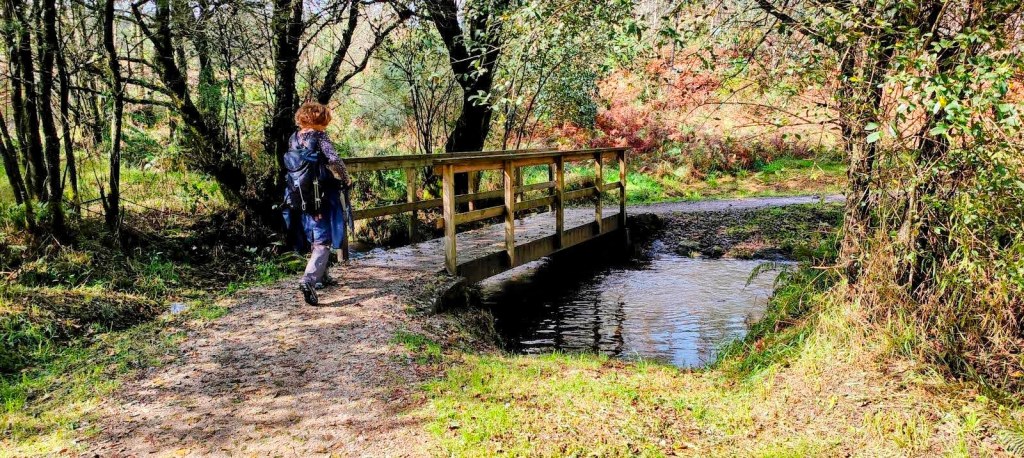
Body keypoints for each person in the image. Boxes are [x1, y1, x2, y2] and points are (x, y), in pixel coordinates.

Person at [282, 101, 351, 305]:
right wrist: (346, 178)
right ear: (319, 119)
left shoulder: (293, 138)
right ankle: (309, 280)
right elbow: (334, 160)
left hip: (299, 197)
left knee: (313, 235)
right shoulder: (319, 136)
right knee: (323, 241)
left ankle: (322, 276)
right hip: (320, 195)